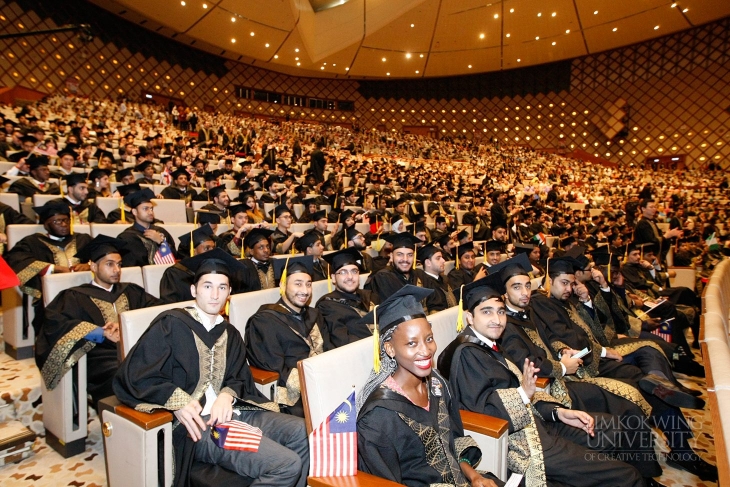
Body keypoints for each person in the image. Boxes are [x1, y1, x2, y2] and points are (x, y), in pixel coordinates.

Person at [438, 273, 660, 486]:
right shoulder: (467, 354)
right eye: (487, 312)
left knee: (613, 428)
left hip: (540, 422)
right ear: (469, 317)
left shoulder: (491, 344)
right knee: (625, 476)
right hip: (523, 444)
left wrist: (559, 412)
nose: (497, 320)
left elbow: (526, 392)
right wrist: (523, 393)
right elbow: (484, 410)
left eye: (501, 312)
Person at [114, 254, 309, 487]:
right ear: (194, 290)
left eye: (222, 287)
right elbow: (136, 375)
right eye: (208, 286)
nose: (215, 294)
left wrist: (227, 395)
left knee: (303, 431)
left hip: (234, 411)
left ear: (229, 294)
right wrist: (178, 402)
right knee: (285, 464)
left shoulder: (230, 333)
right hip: (199, 426)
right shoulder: (170, 325)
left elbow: (239, 376)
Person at [357, 285, 504, 487]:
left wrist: (474, 476)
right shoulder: (378, 416)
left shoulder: (437, 384)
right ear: (390, 348)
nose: (426, 351)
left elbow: (453, 442)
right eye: (411, 343)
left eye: (429, 339)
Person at [36, 235, 160, 409]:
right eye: (110, 264)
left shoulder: (132, 291)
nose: (117, 269)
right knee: (127, 374)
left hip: (136, 350)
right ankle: (123, 423)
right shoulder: (75, 296)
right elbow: (55, 324)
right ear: (93, 266)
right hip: (99, 357)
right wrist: (100, 332)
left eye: (119, 264)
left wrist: (128, 325)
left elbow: (158, 311)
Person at [245, 256, 333, 417]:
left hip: (324, 380)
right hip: (292, 395)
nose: (305, 291)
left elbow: (328, 349)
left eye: (308, 284)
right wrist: (312, 382)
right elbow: (274, 367)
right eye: (298, 284)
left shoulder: (315, 315)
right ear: (283, 285)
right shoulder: (265, 321)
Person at [5, 199, 92, 333]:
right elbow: (15, 258)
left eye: (66, 220)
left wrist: (89, 265)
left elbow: (104, 255)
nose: (63, 224)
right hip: (51, 298)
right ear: (46, 224)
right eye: (57, 221)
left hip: (85, 292)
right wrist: (52, 268)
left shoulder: (83, 239)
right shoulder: (33, 242)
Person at [316, 248, 379, 347]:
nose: (350, 277)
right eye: (343, 272)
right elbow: (342, 341)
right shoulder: (327, 305)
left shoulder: (371, 296)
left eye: (354, 271)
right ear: (333, 278)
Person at [118, 188, 179, 266]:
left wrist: (161, 242)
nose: (150, 212)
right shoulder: (126, 237)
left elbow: (174, 257)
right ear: (134, 212)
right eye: (145, 209)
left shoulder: (161, 231)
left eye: (151, 208)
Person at [160, 226, 217, 303]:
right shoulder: (174, 274)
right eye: (207, 248)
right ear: (194, 251)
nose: (212, 252)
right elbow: (170, 305)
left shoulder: (216, 270)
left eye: (213, 248)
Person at [417, 242, 457, 313]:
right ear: (428, 263)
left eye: (442, 257)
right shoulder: (423, 285)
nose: (443, 261)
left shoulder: (445, 279)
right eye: (438, 258)